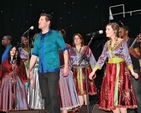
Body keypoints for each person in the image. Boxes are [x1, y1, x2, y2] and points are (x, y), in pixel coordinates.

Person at [89, 22, 138, 113]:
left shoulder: (122, 42)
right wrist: (93, 71)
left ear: (114, 31)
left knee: (120, 98)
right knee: (112, 99)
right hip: (110, 72)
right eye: (106, 29)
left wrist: (132, 71)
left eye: (108, 29)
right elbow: (102, 58)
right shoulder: (107, 44)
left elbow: (127, 57)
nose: (106, 31)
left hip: (121, 71)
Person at [29, 13, 69, 113]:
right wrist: (28, 69)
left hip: (52, 69)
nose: (39, 21)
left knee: (53, 95)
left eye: (41, 19)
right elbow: (34, 55)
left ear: (48, 22)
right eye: (39, 20)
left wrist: (66, 67)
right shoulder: (37, 38)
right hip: (41, 70)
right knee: (45, 96)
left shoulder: (55, 34)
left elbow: (65, 50)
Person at [69, 33, 97, 107]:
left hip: (85, 71)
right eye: (75, 38)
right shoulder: (71, 50)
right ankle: (81, 108)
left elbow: (92, 60)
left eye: (78, 38)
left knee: (85, 91)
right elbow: (68, 61)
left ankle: (87, 107)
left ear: (81, 40)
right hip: (75, 71)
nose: (76, 40)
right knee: (78, 92)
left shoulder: (86, 49)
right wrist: (69, 70)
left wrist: (94, 71)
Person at [119, 25, 141, 113]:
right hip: (123, 71)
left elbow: (139, 55)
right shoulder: (119, 43)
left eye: (121, 30)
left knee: (136, 94)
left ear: (126, 31)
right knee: (127, 94)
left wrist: (133, 53)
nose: (119, 32)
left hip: (134, 69)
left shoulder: (132, 41)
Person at [57, 29, 80, 113]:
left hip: (63, 71)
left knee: (65, 95)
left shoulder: (67, 46)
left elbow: (70, 59)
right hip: (54, 72)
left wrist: (69, 68)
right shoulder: (53, 46)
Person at [0, 46, 28, 111]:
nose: (13, 51)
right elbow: (1, 72)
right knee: (8, 97)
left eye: (15, 50)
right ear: (9, 51)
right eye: (11, 50)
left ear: (17, 52)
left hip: (18, 82)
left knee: (18, 98)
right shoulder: (5, 61)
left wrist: (25, 83)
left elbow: (23, 73)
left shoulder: (20, 62)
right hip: (7, 82)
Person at [28, 33, 44, 109]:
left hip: (43, 71)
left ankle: (43, 107)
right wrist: (30, 77)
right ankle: (36, 106)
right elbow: (29, 65)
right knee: (35, 89)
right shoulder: (31, 51)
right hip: (35, 72)